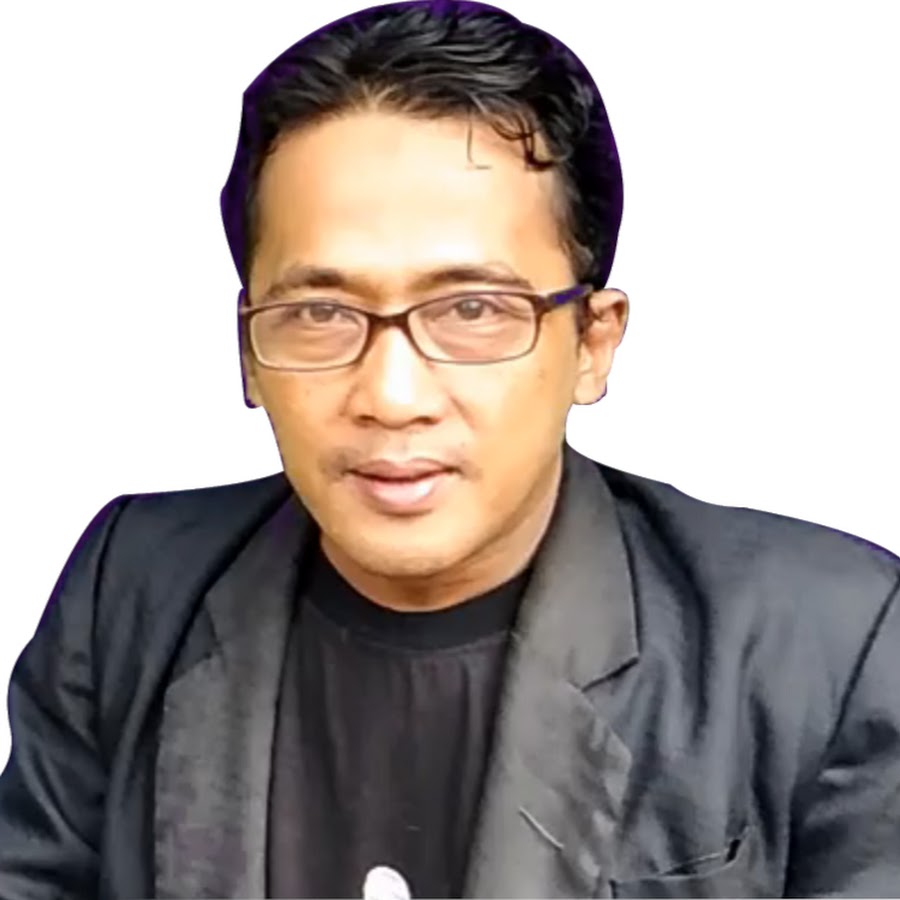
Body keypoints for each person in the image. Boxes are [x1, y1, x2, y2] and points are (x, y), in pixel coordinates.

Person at [1, 1, 898, 897]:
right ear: (247, 352)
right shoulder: (130, 591)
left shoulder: (828, 644)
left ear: (594, 342)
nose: (392, 397)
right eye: (319, 313)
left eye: (473, 309)